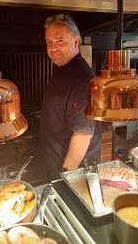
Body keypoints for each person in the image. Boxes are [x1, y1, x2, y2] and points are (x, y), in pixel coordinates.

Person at [40, 14, 102, 181]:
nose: (53, 48)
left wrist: (66, 174)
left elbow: (83, 134)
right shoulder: (63, 69)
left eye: (60, 40)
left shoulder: (82, 78)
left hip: (72, 170)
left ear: (75, 42)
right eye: (49, 42)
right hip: (56, 160)